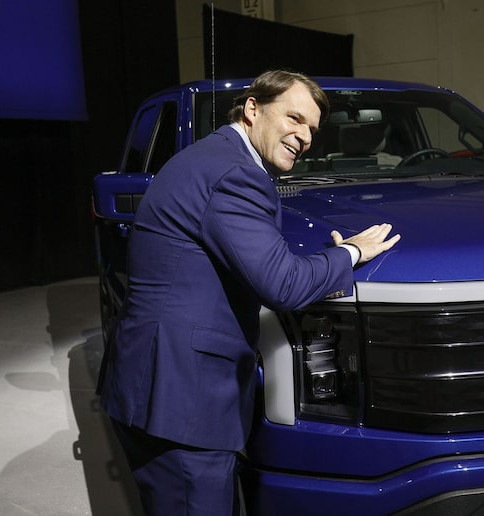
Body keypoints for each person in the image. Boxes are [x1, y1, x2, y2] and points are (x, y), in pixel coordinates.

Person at [97, 69, 401, 515]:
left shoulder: (212, 157)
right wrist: (351, 253)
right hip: (182, 401)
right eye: (294, 118)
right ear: (254, 109)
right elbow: (281, 284)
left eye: (312, 129)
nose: (304, 137)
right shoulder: (235, 175)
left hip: (163, 385)